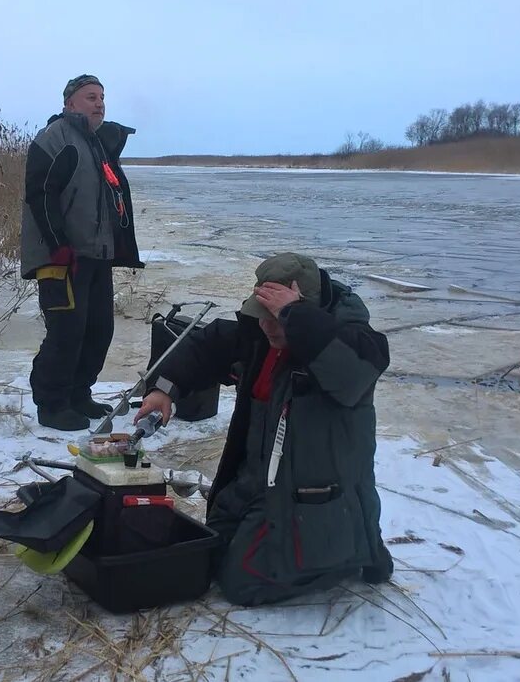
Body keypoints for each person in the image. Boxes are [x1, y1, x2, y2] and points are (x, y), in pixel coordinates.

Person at [135, 253, 394, 606]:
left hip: (314, 500)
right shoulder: (261, 336)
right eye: (262, 316)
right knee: (205, 553)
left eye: (276, 317)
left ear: (305, 312)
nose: (267, 326)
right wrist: (163, 388)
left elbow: (353, 374)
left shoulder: (353, 342)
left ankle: (346, 558)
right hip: (254, 484)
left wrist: (296, 316)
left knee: (242, 584)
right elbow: (207, 344)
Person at [20, 74, 144, 431]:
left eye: (102, 97)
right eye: (91, 96)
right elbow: (41, 193)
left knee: (98, 329)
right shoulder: (55, 138)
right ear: (70, 103)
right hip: (61, 259)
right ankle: (52, 404)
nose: (99, 103)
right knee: (66, 331)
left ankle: (78, 393)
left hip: (96, 255)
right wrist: (58, 246)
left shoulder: (95, 144)